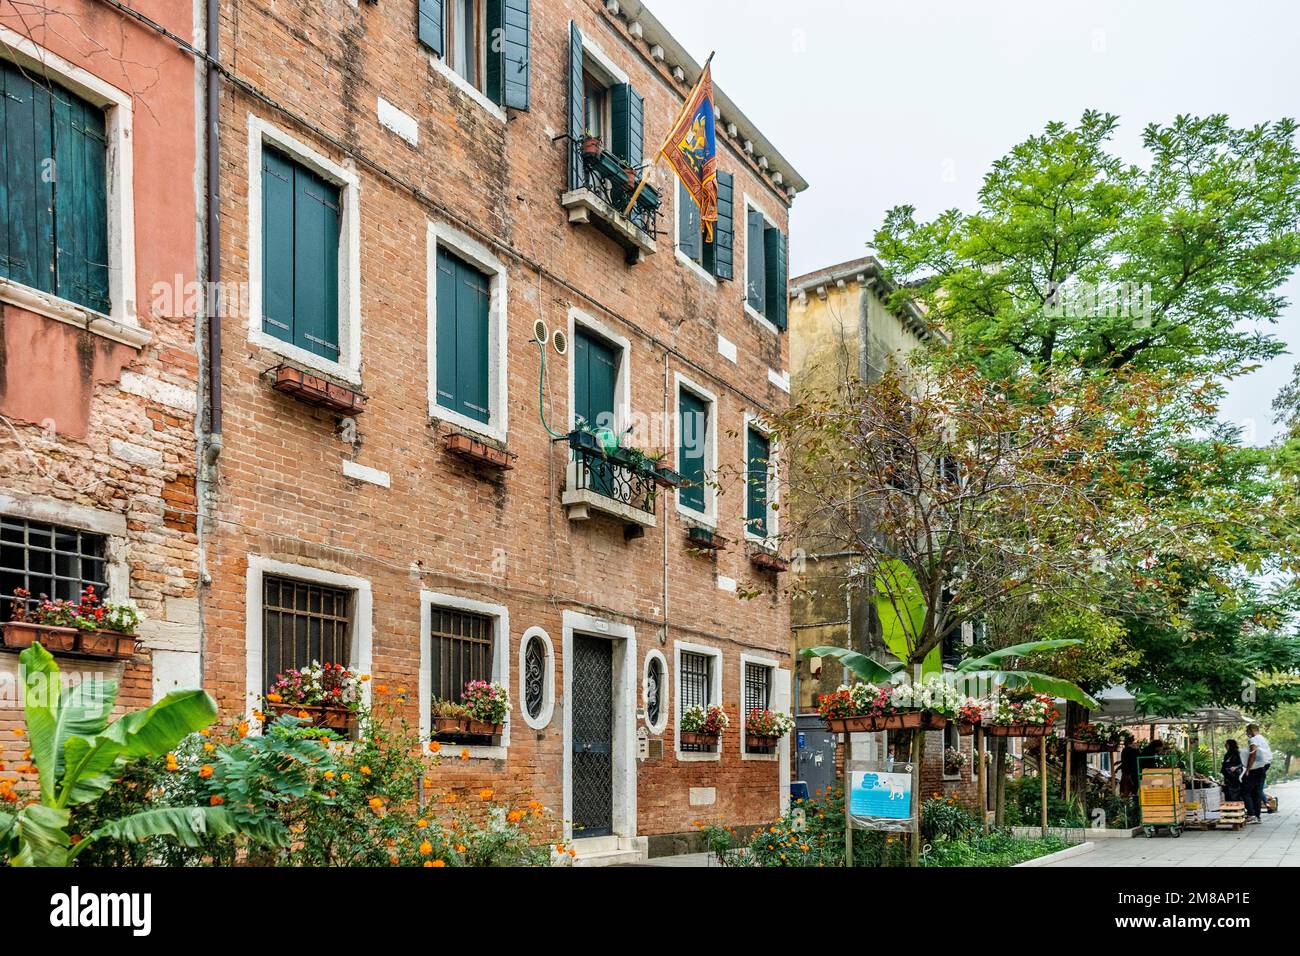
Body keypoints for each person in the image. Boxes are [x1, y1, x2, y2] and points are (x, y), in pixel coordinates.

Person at [1243, 724, 1272, 824]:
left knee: (1246, 792)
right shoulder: (1263, 739)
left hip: (1255, 769)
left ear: (1251, 730)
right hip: (1263, 768)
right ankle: (1257, 816)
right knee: (1256, 792)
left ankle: (1251, 815)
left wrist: (1247, 769)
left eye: (1247, 731)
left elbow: (1252, 754)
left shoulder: (1254, 739)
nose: (1246, 733)